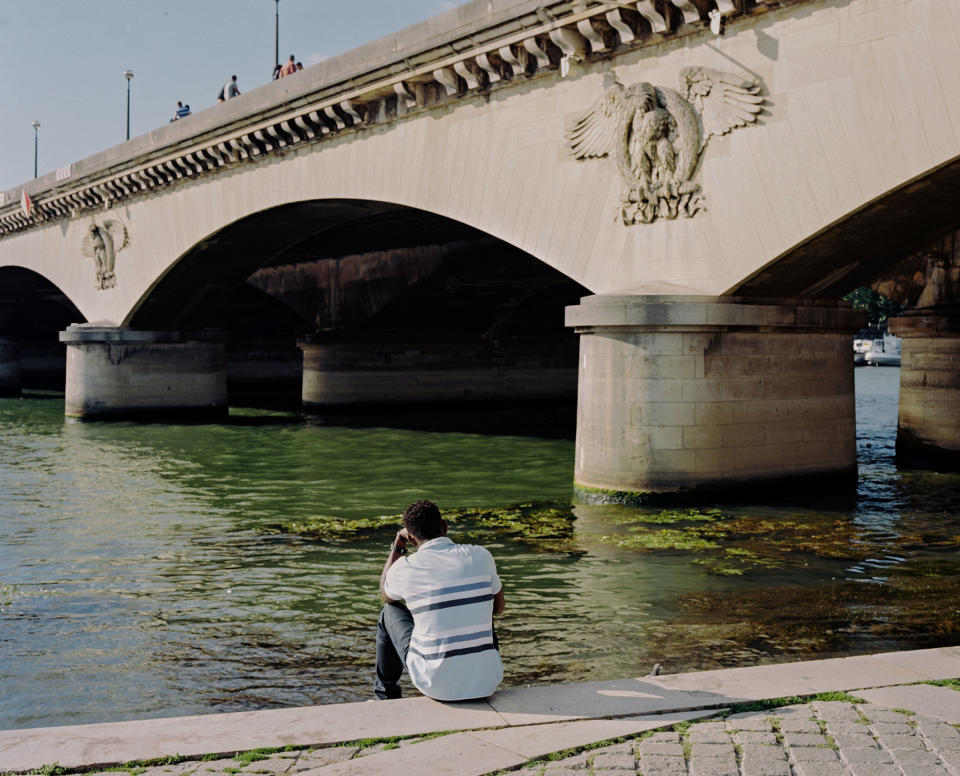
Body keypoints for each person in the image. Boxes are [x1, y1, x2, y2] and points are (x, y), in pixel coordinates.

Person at [376, 500, 505, 701]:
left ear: (411, 539)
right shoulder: (480, 555)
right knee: (479, 603)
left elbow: (385, 593)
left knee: (388, 612)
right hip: (487, 681)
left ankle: (385, 695)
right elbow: (498, 608)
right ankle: (475, 666)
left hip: (434, 684)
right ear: (445, 526)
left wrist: (398, 545)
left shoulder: (406, 568)